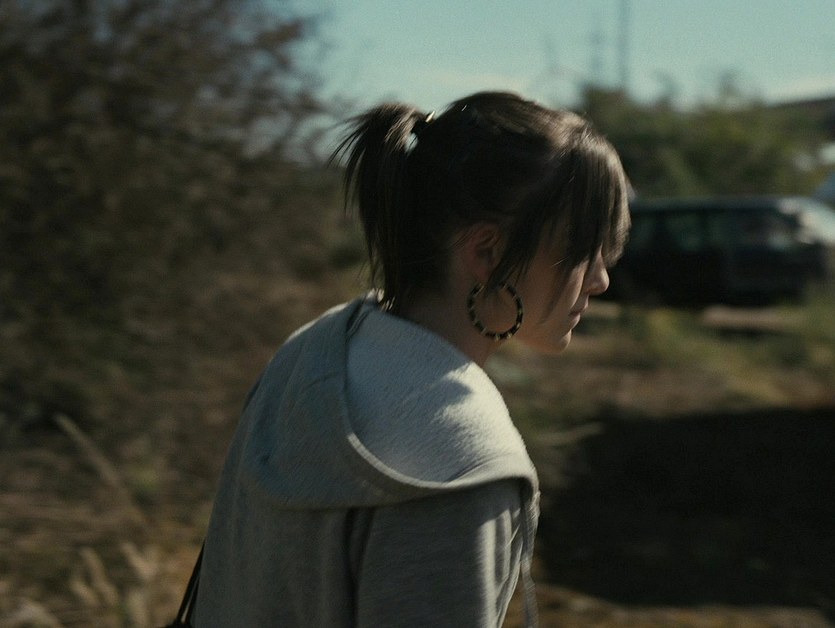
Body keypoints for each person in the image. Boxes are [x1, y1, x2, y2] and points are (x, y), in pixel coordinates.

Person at [191, 91, 630, 627]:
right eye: (581, 249)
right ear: (486, 252)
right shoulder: (465, 468)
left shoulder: (312, 352)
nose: (600, 279)